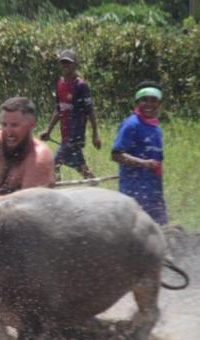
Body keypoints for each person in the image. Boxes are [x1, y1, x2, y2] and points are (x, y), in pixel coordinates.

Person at [111, 81, 167, 225]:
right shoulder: (131, 124)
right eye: (144, 100)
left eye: (153, 100)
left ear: (159, 104)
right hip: (134, 193)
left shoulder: (156, 128)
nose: (149, 104)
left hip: (154, 193)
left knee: (160, 232)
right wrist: (143, 163)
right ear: (137, 102)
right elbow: (116, 154)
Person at [39, 49, 101, 180]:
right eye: (63, 63)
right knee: (79, 165)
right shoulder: (60, 83)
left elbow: (90, 111)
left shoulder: (81, 86)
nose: (65, 65)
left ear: (75, 65)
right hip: (65, 133)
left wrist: (95, 134)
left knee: (54, 165)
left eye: (69, 63)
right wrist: (48, 130)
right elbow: (59, 109)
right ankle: (93, 182)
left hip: (75, 135)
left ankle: (55, 190)